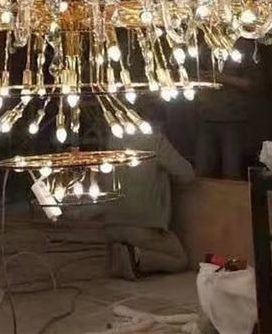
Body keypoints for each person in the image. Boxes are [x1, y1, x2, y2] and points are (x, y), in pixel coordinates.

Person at [103, 126, 194, 280]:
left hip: (111, 224)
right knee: (180, 260)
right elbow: (187, 174)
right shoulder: (155, 140)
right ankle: (136, 257)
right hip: (142, 225)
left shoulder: (114, 138)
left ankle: (122, 252)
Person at [194, 42, 263, 179]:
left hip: (233, 119)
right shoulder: (204, 45)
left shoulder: (244, 46)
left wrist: (223, 78)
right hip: (206, 116)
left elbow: (254, 83)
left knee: (231, 171)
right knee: (202, 170)